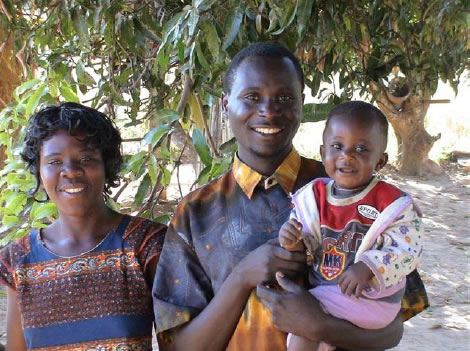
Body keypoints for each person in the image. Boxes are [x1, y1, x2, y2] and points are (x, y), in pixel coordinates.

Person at [153, 42, 427, 351]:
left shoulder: (361, 194)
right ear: (226, 104)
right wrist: (242, 276)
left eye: (284, 98)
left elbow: (392, 330)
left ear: (301, 103)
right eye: (252, 97)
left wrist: (319, 326)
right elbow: (180, 347)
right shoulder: (196, 212)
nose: (269, 111)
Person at [0, 103, 166, 350]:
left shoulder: (146, 244)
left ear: (105, 165)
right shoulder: (18, 259)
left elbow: (180, 342)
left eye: (86, 158)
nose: (71, 172)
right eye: (55, 162)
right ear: (39, 170)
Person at [279, 101, 424, 351]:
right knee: (308, 333)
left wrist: (369, 266)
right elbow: (307, 236)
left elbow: (408, 251)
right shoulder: (314, 197)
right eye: (337, 146)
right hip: (331, 292)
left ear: (380, 161)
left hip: (372, 300)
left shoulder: (390, 203)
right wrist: (293, 238)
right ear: (323, 153)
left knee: (302, 317)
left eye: (361, 149)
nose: (346, 155)